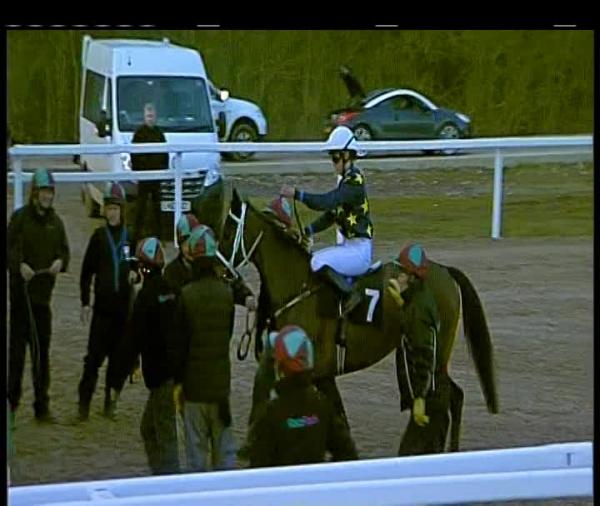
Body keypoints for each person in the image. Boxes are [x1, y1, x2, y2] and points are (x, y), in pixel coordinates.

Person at [172, 225, 255, 471]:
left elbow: (180, 344)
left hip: (193, 388)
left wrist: (178, 382)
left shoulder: (186, 295)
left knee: (196, 454)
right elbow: (226, 334)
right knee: (224, 452)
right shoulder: (226, 294)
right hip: (220, 386)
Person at [280, 125, 373, 312]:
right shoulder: (347, 181)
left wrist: (298, 194)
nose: (333, 163)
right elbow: (331, 215)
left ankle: (350, 295)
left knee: (316, 262)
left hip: (358, 252)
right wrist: (307, 231)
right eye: (332, 158)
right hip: (350, 247)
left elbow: (326, 202)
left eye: (335, 158)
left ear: (346, 156)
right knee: (314, 258)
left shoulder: (354, 182)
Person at [7, 168, 70, 422]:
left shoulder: (56, 223)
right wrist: (19, 265)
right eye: (43, 192)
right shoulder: (20, 219)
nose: (47, 196)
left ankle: (41, 406)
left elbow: (64, 251)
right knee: (17, 355)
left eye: (50, 192)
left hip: (43, 300)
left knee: (41, 355)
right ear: (35, 193)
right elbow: (9, 249)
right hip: (21, 299)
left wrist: (60, 262)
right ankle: (11, 404)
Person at [247, 325, 358, 467]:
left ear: (280, 367)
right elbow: (348, 454)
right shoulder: (322, 407)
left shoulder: (270, 414)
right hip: (314, 480)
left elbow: (257, 466)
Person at [118, 237, 180, 475]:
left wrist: (125, 367)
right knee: (150, 429)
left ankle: (169, 480)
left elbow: (134, 336)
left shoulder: (146, 296)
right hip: (170, 372)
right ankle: (160, 474)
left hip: (159, 375)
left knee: (164, 432)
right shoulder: (170, 290)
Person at [77, 182, 137, 421]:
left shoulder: (130, 237)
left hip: (123, 313)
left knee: (118, 362)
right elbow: (86, 273)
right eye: (109, 208)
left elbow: (141, 267)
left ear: (122, 210)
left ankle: (110, 404)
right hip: (102, 311)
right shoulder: (99, 238)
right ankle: (83, 405)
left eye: (116, 208)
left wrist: (137, 274)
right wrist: (85, 302)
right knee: (92, 361)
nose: (112, 213)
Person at [387, 242, 449, 455]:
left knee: (407, 458)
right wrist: (403, 303)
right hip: (435, 394)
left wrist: (420, 398)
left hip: (431, 399)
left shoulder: (418, 311)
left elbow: (424, 355)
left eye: (401, 273)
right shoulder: (418, 300)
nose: (396, 277)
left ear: (412, 278)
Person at [131, 102, 168, 244]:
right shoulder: (139, 133)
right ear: (144, 117)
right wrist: (137, 172)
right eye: (148, 116)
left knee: (157, 208)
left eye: (152, 116)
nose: (150, 118)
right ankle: (135, 238)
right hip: (143, 177)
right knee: (140, 208)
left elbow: (165, 153)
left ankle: (160, 237)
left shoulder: (159, 133)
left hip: (156, 177)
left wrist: (163, 171)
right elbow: (134, 154)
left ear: (156, 117)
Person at [163, 213, 200, 297]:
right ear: (180, 244)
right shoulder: (171, 271)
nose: (191, 249)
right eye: (187, 244)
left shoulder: (205, 269)